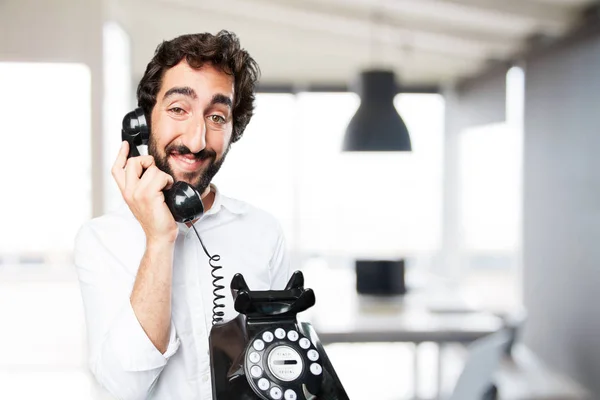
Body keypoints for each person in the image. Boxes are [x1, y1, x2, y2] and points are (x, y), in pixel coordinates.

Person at [74, 30, 290, 400]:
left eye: (217, 117)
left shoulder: (263, 232)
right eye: (178, 109)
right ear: (142, 122)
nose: (196, 140)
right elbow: (125, 386)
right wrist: (160, 239)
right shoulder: (101, 240)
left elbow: (282, 367)